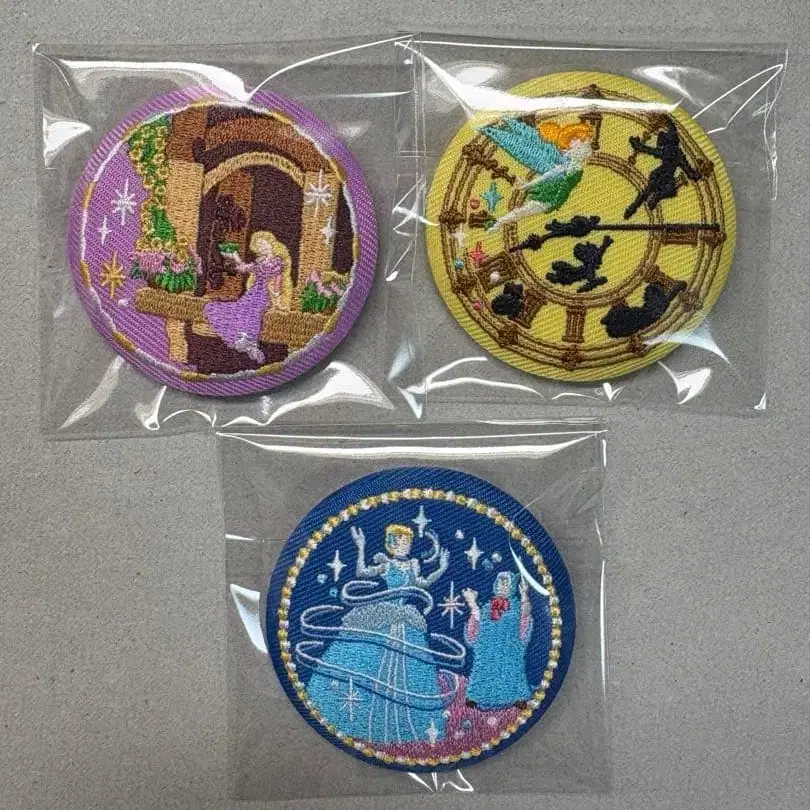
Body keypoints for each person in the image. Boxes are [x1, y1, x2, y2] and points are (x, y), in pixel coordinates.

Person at [302, 524, 455, 745]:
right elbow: (362, 572)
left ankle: (408, 726)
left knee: (411, 670)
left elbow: (422, 584)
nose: (406, 545)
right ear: (392, 543)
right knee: (370, 660)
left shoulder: (413, 564)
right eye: (402, 541)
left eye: (408, 542)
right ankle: (368, 720)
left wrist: (442, 567)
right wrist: (361, 547)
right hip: (384, 614)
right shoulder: (387, 564)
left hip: (406, 619)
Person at [202, 231, 292, 364]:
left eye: (264, 243)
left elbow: (263, 272)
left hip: (265, 295)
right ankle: (242, 340)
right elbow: (244, 269)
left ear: (271, 243)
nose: (262, 247)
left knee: (253, 310)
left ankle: (250, 340)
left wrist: (278, 298)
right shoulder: (260, 261)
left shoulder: (277, 261)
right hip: (253, 293)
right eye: (259, 245)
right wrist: (234, 256)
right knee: (218, 308)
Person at [462, 571, 534, 709]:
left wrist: (524, 594)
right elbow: (478, 621)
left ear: (512, 587)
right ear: (496, 585)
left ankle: (517, 697)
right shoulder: (488, 607)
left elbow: (524, 616)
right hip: (488, 646)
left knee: (512, 670)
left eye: (506, 584)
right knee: (483, 669)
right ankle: (476, 696)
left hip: (509, 646)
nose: (503, 587)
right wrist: (472, 604)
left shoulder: (515, 606)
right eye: (501, 583)